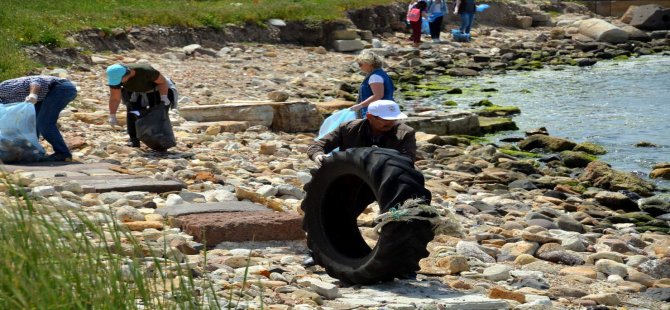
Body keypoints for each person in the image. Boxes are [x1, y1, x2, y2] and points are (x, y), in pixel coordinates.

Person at [308, 100, 416, 166]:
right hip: (352, 170)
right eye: (385, 119)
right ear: (369, 116)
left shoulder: (405, 132)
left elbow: (408, 159)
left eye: (394, 119)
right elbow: (317, 145)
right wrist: (318, 155)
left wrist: (382, 155)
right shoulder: (347, 128)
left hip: (388, 171)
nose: (391, 123)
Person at [0, 75, 77, 162]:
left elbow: (36, 80)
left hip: (60, 88)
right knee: (32, 124)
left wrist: (33, 94)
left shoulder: (3, 89)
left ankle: (63, 153)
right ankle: (32, 151)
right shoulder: (3, 102)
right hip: (45, 95)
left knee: (44, 123)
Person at [106, 63, 175, 148]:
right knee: (133, 112)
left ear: (128, 73)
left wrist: (164, 97)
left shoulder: (145, 70)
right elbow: (115, 98)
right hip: (135, 92)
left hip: (157, 90)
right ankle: (134, 140)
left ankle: (162, 141)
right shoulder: (116, 82)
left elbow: (162, 82)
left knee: (157, 114)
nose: (118, 83)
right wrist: (112, 115)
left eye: (120, 80)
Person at [350, 52, 395, 119]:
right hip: (387, 110)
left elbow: (378, 95)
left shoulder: (375, 77)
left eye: (360, 64)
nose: (359, 67)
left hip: (376, 114)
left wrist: (360, 106)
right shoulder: (383, 74)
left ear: (369, 63)